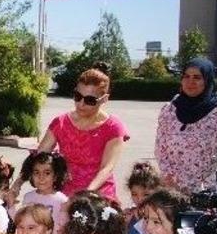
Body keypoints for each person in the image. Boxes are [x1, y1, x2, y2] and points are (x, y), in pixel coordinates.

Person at [8, 63, 129, 203]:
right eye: (78, 96)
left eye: (90, 100)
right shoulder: (60, 123)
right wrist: (16, 185)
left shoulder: (113, 127)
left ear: (104, 99)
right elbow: (38, 158)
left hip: (98, 196)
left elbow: (106, 168)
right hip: (64, 196)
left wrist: (86, 195)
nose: (81, 104)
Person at [155, 58, 217, 194]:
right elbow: (160, 148)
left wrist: (190, 184)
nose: (190, 81)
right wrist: (170, 177)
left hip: (205, 187)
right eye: (186, 76)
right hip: (172, 186)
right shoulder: (169, 109)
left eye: (197, 77)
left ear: (207, 81)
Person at [119, 161, 162, 234]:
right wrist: (123, 225)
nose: (139, 199)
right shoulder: (130, 214)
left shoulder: (161, 217)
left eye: (146, 194)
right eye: (134, 194)